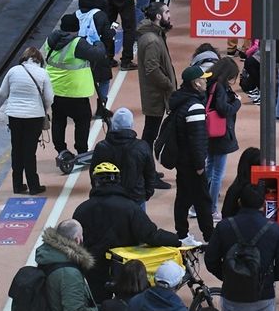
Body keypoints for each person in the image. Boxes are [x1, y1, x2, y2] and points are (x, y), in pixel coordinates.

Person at [73, 155, 181, 302]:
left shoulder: (82, 210)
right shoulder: (130, 207)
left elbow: (75, 242)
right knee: (128, 306)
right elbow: (151, 235)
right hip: (124, 269)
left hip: (94, 269)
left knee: (98, 306)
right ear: (118, 181)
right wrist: (176, 239)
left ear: (95, 182)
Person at [206, 183, 279, 311]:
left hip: (232, 295)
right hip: (263, 296)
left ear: (239, 202)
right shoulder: (274, 230)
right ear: (263, 204)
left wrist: (227, 276)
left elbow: (210, 260)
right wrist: (268, 279)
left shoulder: (224, 227)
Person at [42, 14, 107, 159]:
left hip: (56, 90)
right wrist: (98, 43)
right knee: (82, 120)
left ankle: (60, 149)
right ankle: (81, 150)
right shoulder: (77, 43)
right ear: (76, 29)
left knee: (59, 120)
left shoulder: (51, 40)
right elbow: (98, 54)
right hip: (75, 92)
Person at [0, 47, 54, 194]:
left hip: (14, 116)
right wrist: (43, 109)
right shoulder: (43, 73)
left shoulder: (13, 71)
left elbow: (2, 92)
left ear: (24, 58)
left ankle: (17, 185)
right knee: (29, 151)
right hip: (34, 116)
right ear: (39, 60)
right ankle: (34, 186)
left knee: (16, 149)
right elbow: (49, 97)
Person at [170, 65, 215, 244]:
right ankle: (210, 237)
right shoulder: (195, 107)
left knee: (183, 197)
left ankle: (182, 233)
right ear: (196, 83)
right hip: (192, 163)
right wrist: (199, 165)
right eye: (203, 79)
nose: (206, 81)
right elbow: (197, 139)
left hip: (182, 160)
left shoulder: (180, 100)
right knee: (202, 200)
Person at [91, 107, 169, 194]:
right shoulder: (142, 147)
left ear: (113, 124)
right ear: (131, 125)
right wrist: (145, 195)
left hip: (108, 195)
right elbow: (150, 175)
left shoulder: (101, 147)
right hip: (135, 197)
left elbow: (94, 174)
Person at [136, 2, 177, 144]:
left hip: (156, 94)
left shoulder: (155, 35)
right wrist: (168, 85)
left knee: (150, 132)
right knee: (150, 134)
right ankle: (144, 163)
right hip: (156, 95)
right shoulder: (152, 40)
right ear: (159, 16)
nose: (169, 15)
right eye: (167, 12)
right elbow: (152, 69)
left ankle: (144, 162)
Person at [205, 56, 243, 207]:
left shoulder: (208, 82)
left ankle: (199, 206)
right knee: (217, 174)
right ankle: (212, 206)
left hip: (209, 132)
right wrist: (237, 102)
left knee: (209, 168)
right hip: (220, 133)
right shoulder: (220, 87)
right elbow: (223, 109)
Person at [76, 0, 117, 119]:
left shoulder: (76, 15)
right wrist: (113, 31)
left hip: (79, 53)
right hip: (98, 52)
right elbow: (107, 36)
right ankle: (101, 107)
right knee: (104, 80)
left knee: (82, 82)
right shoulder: (100, 15)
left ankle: (82, 109)